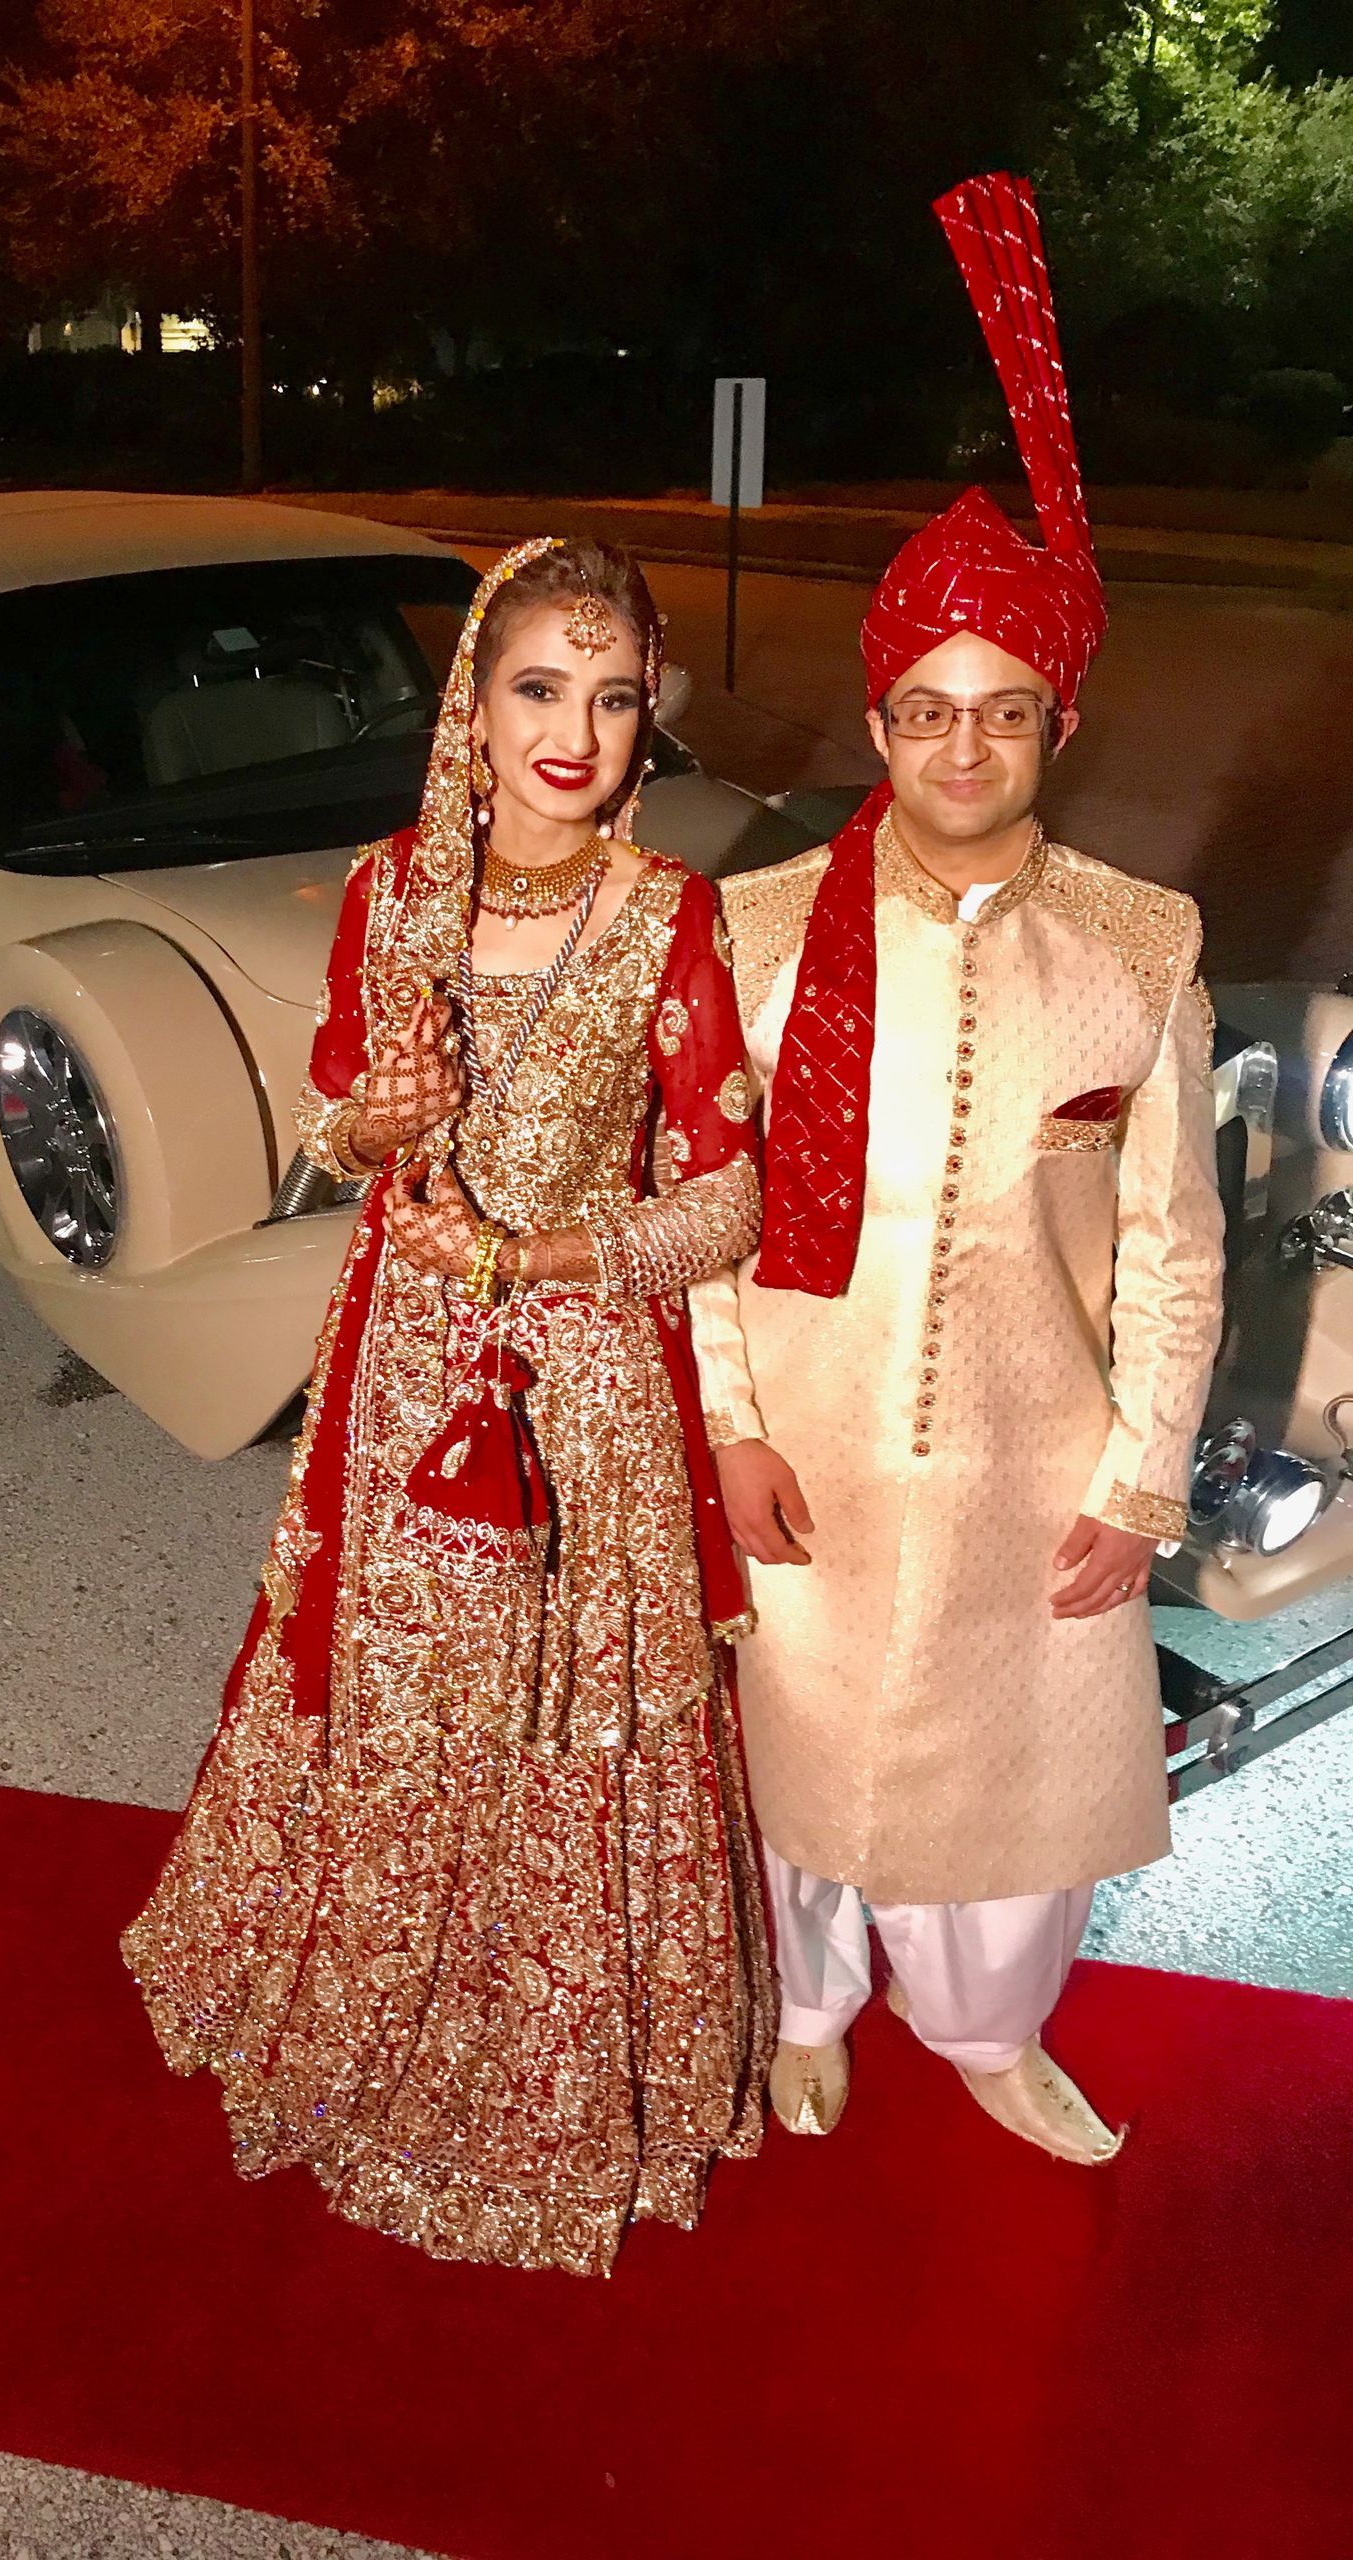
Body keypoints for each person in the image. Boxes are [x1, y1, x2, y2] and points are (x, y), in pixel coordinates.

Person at [124, 536, 775, 2274]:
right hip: (407, 1365)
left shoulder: (666, 914)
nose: (575, 729)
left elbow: (729, 1198)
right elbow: (336, 1119)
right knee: (402, 1685)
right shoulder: (387, 894)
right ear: (471, 703)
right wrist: (378, 1128)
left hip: (581, 1380)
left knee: (573, 1719)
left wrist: (552, 1252)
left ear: (648, 723)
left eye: (615, 694)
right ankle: (377, 2033)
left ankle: (555, 2076)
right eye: (539, 687)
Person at [691, 172, 1225, 2164]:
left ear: (1058, 720)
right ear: (879, 717)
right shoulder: (752, 938)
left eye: (1007, 712)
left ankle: (990, 2030)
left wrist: (1142, 1468)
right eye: (931, 711)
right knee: (813, 1751)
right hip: (810, 1435)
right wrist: (730, 1424)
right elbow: (711, 1220)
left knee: (1022, 1783)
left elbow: (1175, 1243)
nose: (965, 746)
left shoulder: (1140, 945)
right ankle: (812, 2005)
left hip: (1033, 1453)